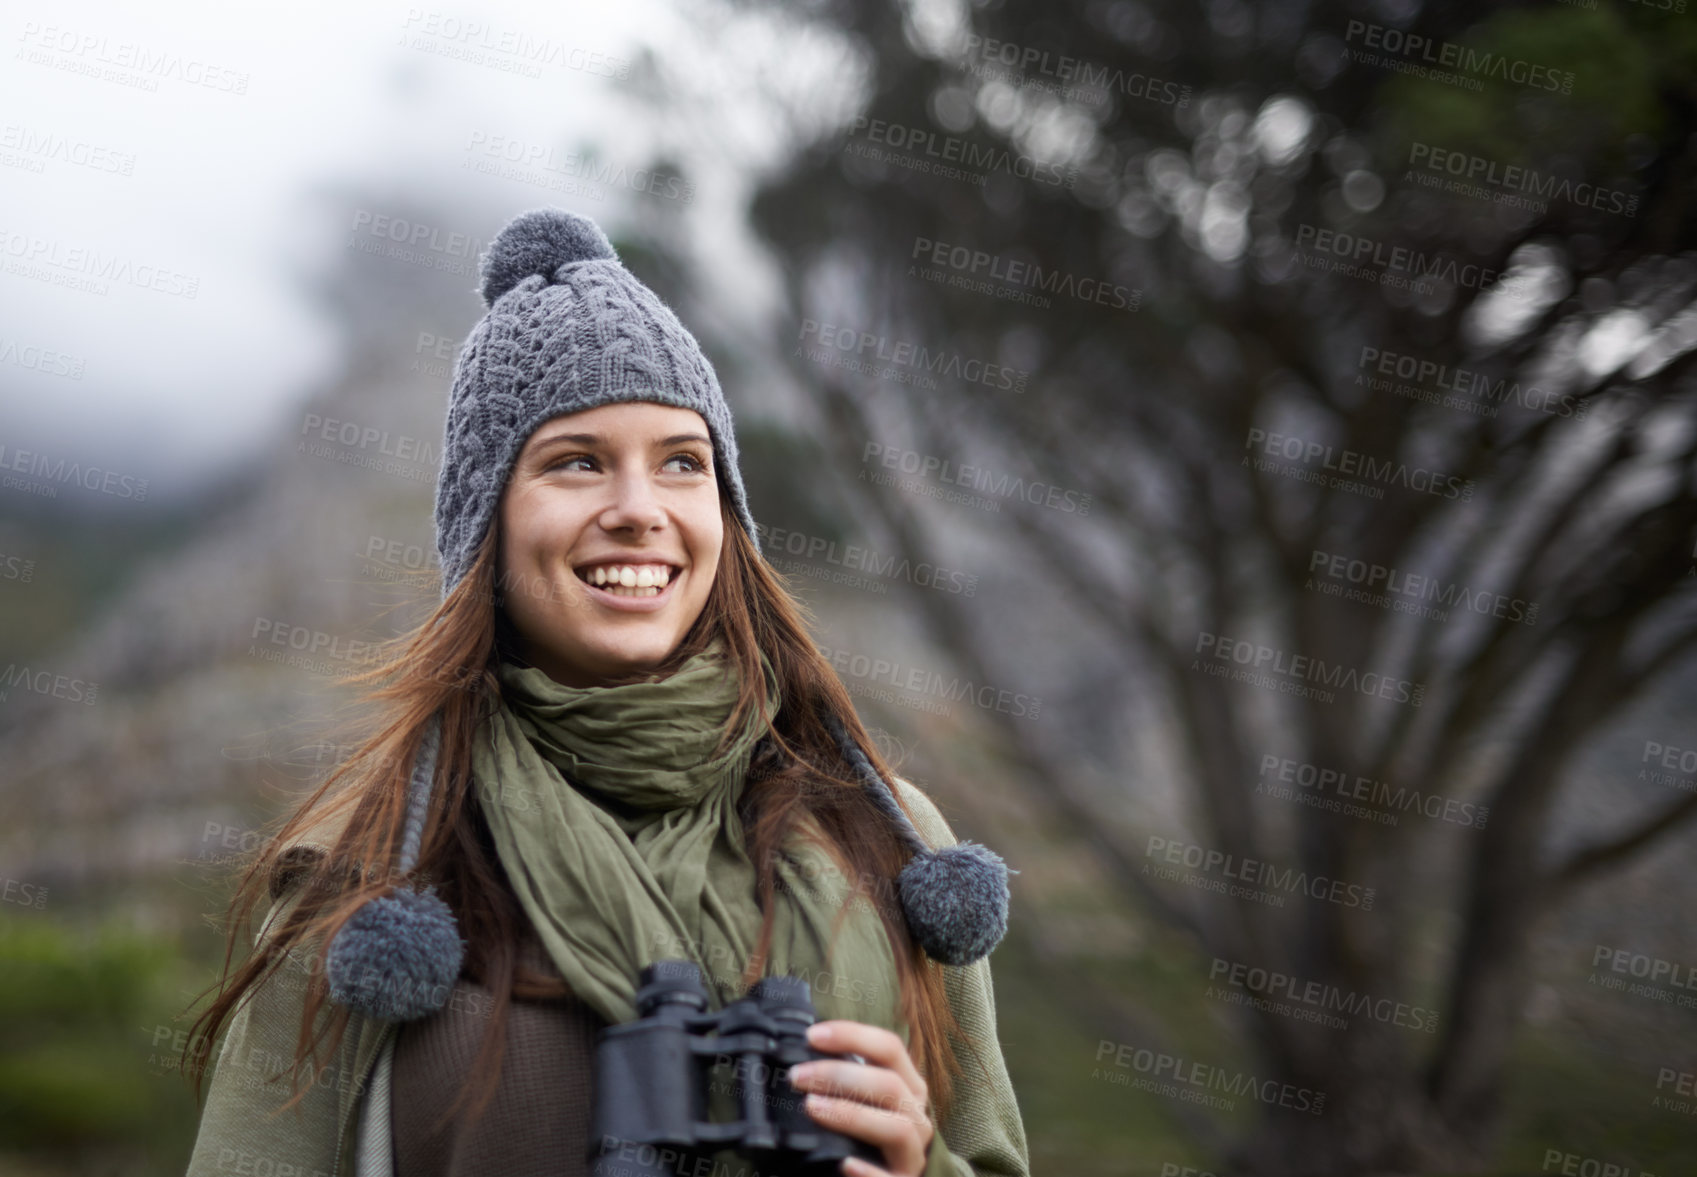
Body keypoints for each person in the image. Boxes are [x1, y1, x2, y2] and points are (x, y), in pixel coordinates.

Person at [181, 208, 1030, 1177]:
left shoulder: (891, 839)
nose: (638, 510)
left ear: (724, 515)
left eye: (681, 461)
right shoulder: (370, 876)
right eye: (576, 461)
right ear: (487, 529)